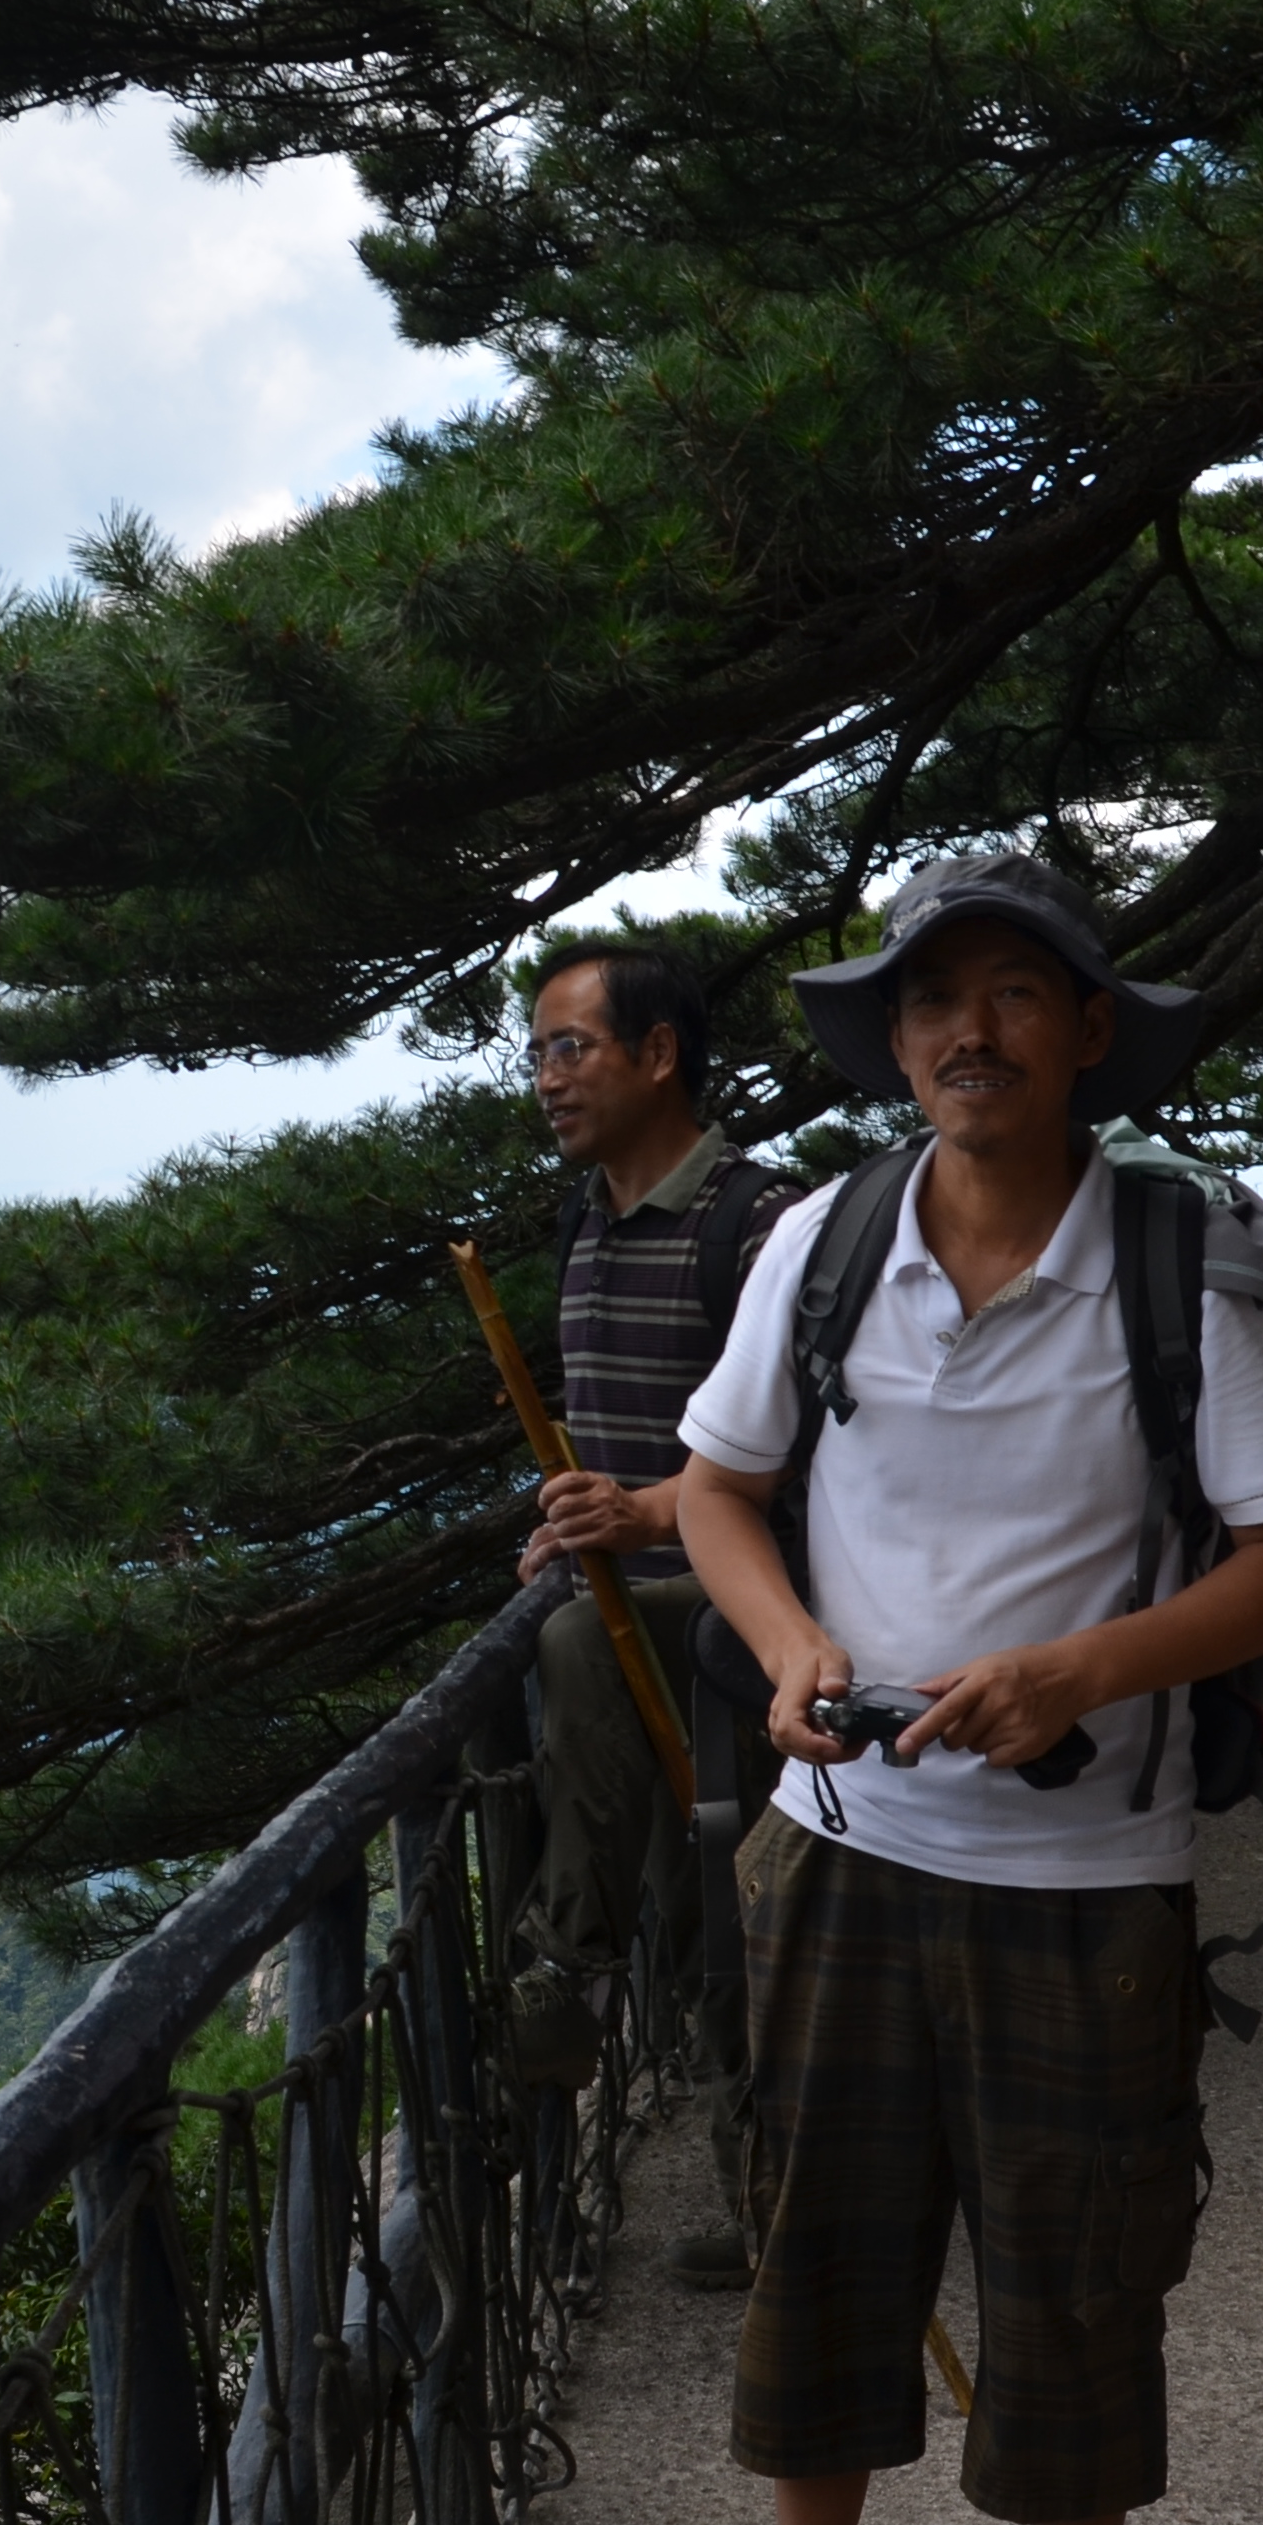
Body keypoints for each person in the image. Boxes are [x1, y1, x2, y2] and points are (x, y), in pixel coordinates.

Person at [649, 852, 1263, 2525]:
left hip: (1081, 1860)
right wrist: (789, 1655)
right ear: (893, 1042)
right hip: (837, 1837)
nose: (968, 1031)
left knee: (1073, 2264)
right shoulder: (823, 1242)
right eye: (931, 1000)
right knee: (818, 2236)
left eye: (1015, 995)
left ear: (1089, 1031)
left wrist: (1079, 1673)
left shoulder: (1172, 1260)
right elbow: (714, 1492)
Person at [510, 940, 799, 2285]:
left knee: (739, 1931)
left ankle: (565, 1966)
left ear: (659, 1054)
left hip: (751, 1625)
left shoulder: (756, 1224)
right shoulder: (587, 1223)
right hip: (641, 1621)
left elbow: (797, 1454)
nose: (547, 1080)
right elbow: (615, 1445)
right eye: (538, 1054)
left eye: (570, 1048)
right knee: (704, 1927)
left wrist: (639, 1517)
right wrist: (575, 1523)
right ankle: (766, 2208)